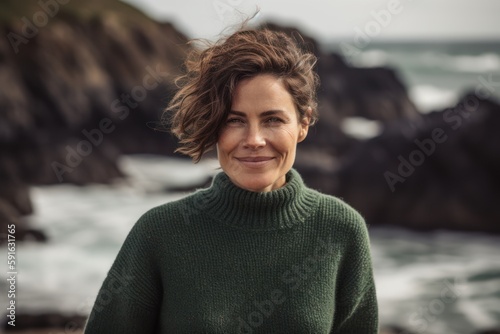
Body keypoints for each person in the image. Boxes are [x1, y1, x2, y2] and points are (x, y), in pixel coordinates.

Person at [84, 26, 378, 333]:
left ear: (304, 123)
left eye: (273, 120)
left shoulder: (342, 230)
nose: (254, 139)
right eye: (234, 121)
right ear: (214, 127)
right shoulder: (159, 233)